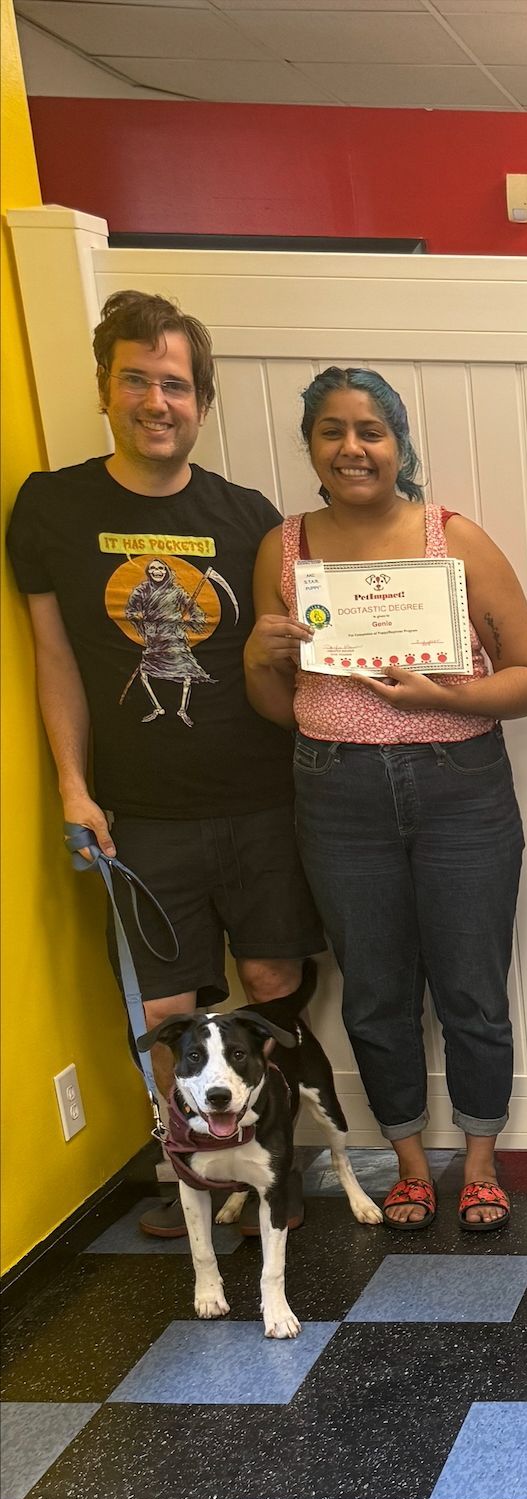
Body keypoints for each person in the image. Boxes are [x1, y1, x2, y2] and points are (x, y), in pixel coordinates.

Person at [6, 289, 322, 1236]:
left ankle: (271, 1170)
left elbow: (280, 656)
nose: (157, 401)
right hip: (139, 815)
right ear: (105, 388)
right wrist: (73, 787)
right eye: (136, 380)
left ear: (202, 401)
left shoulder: (247, 516)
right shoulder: (51, 508)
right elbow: (54, 659)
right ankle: (195, 1174)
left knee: (274, 986)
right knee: (166, 1007)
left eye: (176, 385)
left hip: (261, 799)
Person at [245, 369, 527, 1233]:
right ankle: (411, 1164)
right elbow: (276, 706)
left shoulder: (456, 540)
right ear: (311, 446)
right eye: (333, 431)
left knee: (472, 988)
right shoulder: (283, 550)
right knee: (375, 994)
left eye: (371, 431)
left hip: (460, 787)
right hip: (335, 789)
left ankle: (481, 1163)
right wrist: (259, 657)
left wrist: (443, 696)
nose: (353, 448)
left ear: (399, 444)